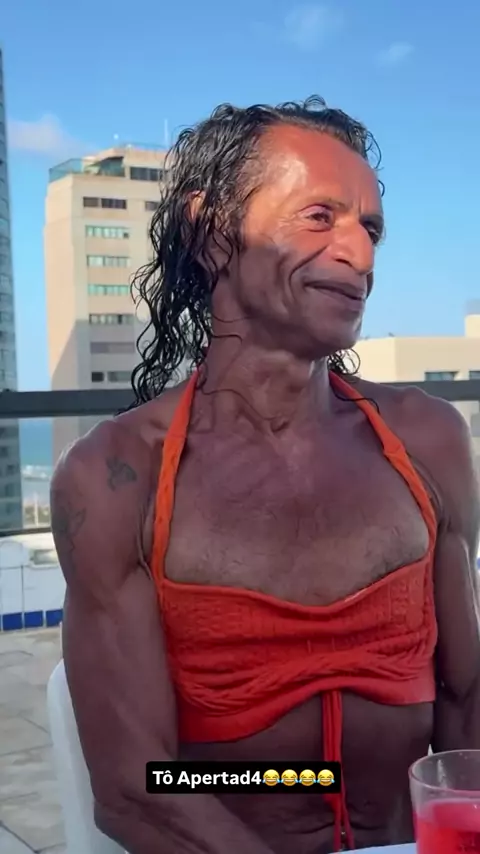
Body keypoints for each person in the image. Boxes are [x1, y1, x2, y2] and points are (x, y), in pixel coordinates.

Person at [50, 96, 480, 854]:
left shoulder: (428, 441)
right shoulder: (118, 478)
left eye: (371, 228)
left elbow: (466, 696)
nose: (360, 254)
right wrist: (294, 776)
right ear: (212, 231)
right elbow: (139, 788)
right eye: (320, 217)